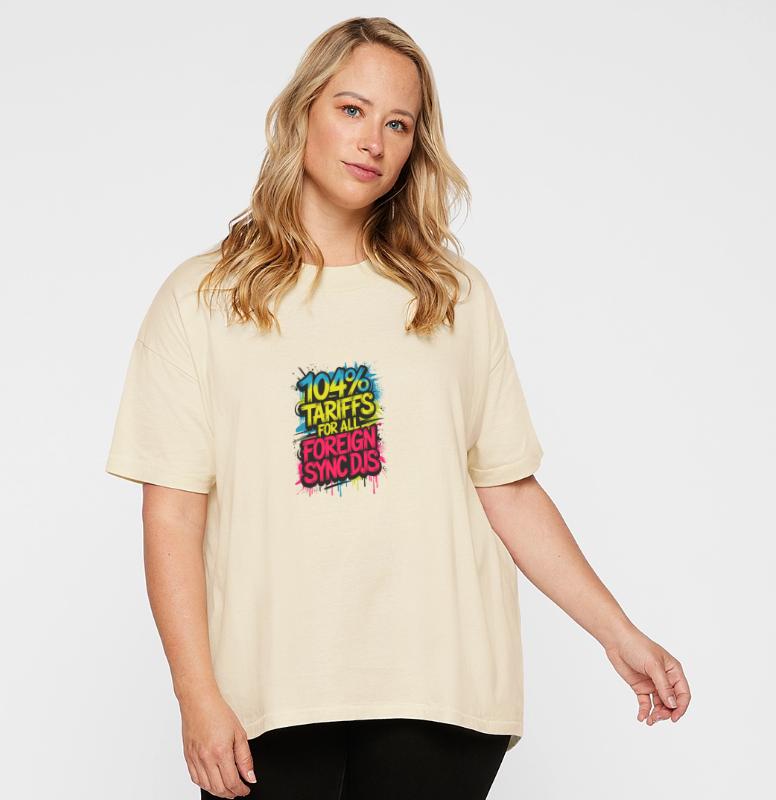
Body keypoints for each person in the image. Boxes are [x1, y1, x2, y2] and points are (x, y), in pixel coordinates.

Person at [105, 16, 691, 800]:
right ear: (304, 112)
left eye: (397, 124)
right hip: (268, 694)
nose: (372, 141)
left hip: (440, 689)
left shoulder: (451, 296)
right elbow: (173, 513)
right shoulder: (204, 298)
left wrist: (620, 635)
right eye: (351, 109)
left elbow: (509, 490)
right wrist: (195, 694)